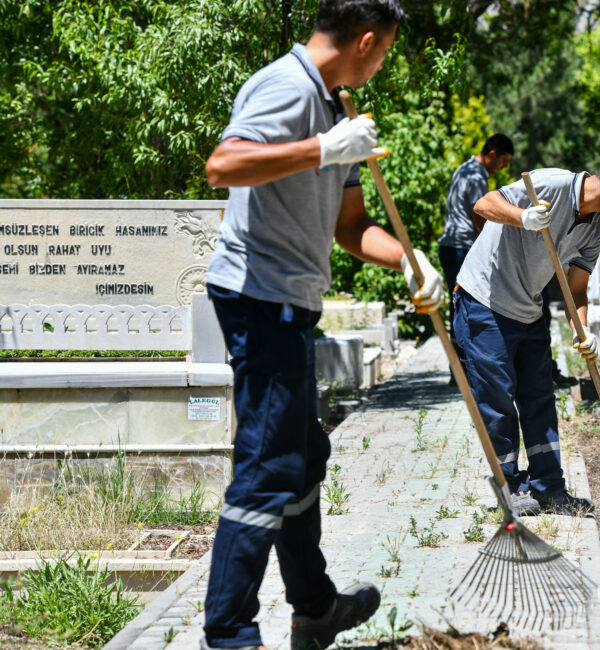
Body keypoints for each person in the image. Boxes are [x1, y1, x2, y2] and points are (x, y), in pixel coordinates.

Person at [199, 2, 443, 649]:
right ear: (367, 41)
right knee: (269, 467)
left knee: (304, 456)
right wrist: (320, 149)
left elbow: (351, 228)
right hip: (259, 297)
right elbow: (223, 165)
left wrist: (410, 262)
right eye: (386, 51)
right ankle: (228, 634)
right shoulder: (285, 87)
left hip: (290, 301)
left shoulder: (340, 112)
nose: (384, 62)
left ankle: (315, 608)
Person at [452, 152, 600, 515]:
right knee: (498, 401)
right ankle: (510, 488)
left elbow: (576, 288)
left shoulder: (595, 230)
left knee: (540, 399)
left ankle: (548, 488)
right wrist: (523, 217)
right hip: (484, 302)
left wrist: (584, 329)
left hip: (529, 311)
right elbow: (484, 204)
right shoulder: (551, 184)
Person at [437, 133, 514, 293]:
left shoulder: (465, 168)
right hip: (462, 248)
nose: (505, 166)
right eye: (504, 161)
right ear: (492, 155)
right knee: (465, 303)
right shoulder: (476, 177)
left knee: (457, 301)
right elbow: (480, 221)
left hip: (450, 246)